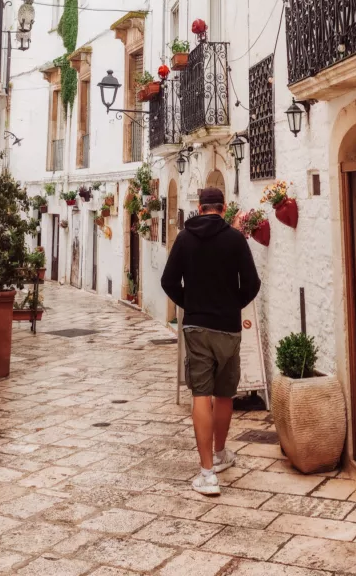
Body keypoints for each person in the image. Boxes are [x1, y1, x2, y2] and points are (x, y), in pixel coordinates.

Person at [161, 186, 261, 496]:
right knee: (225, 393)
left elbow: (168, 281)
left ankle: (207, 474)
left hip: (196, 326)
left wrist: (189, 303)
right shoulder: (235, 239)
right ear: (224, 207)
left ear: (200, 207)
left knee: (201, 394)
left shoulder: (185, 238)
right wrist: (233, 305)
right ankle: (220, 454)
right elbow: (253, 283)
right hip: (228, 328)